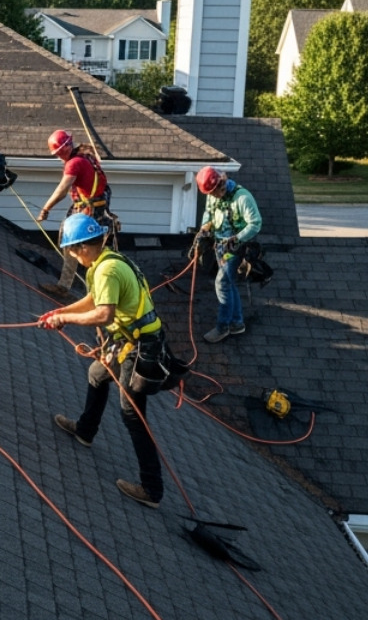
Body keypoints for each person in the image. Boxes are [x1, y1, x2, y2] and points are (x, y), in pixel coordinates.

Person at [37, 215, 170, 508]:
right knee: (97, 375)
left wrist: (64, 319)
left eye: (72, 250)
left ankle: (152, 489)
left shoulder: (107, 270)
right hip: (129, 341)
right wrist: (58, 313)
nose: (71, 255)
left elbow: (103, 314)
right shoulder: (107, 260)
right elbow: (93, 301)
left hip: (141, 348)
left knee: (132, 414)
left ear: (84, 247)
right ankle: (86, 431)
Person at [36, 129, 119, 297]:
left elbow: (62, 189)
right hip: (98, 209)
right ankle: (76, 288)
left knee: (80, 247)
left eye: (59, 153)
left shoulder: (74, 163)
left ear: (66, 148)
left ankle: (88, 293)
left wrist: (46, 208)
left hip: (89, 210)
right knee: (84, 248)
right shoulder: (87, 156)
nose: (59, 157)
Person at [195, 166, 263, 343]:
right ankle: (237, 323)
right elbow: (209, 213)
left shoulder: (242, 198)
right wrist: (204, 227)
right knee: (229, 283)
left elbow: (255, 223)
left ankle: (223, 327)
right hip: (220, 246)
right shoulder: (212, 194)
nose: (214, 196)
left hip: (235, 249)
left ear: (222, 182)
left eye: (216, 192)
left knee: (222, 283)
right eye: (210, 193)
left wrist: (237, 238)